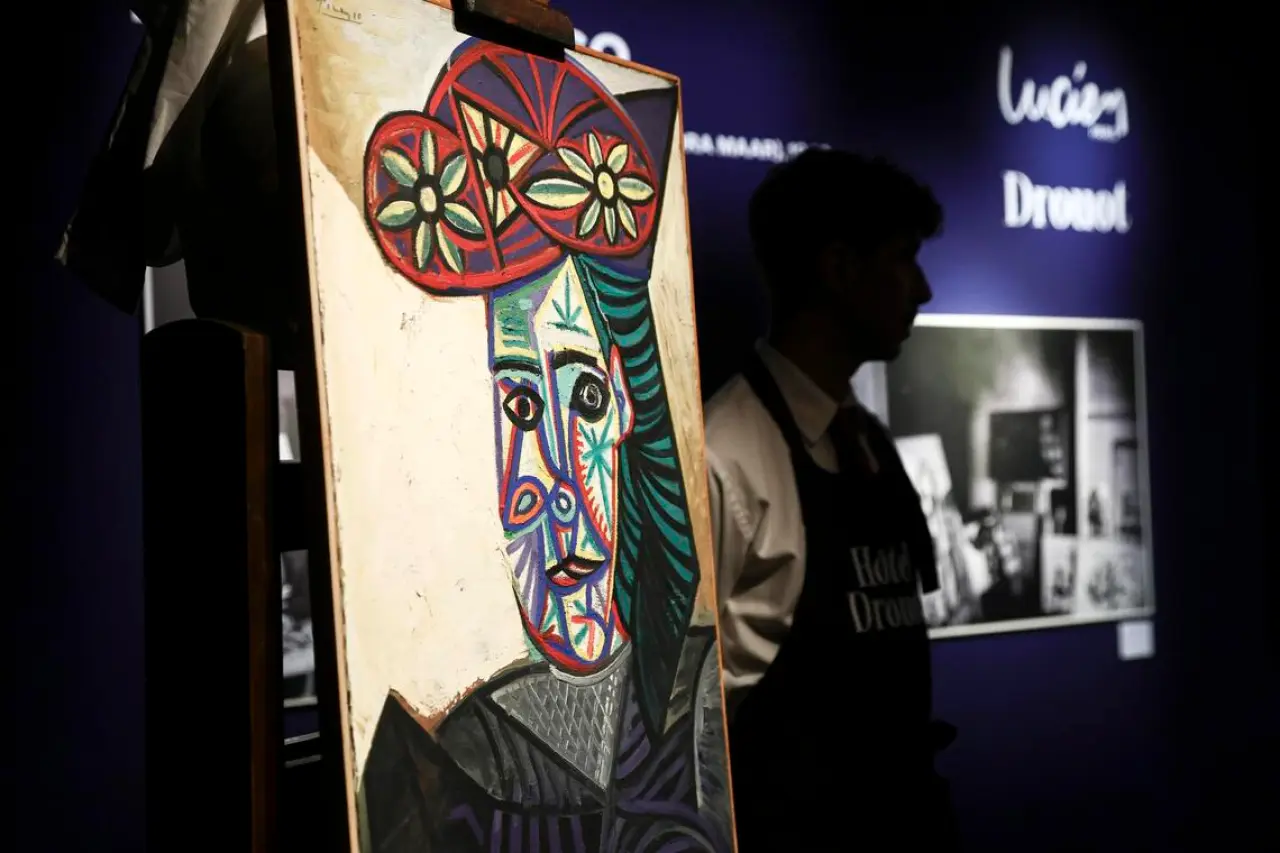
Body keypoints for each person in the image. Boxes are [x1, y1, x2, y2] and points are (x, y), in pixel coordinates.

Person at [703, 149, 958, 849]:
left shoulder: (869, 442)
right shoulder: (723, 458)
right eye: (904, 258)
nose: (924, 289)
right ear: (841, 268)